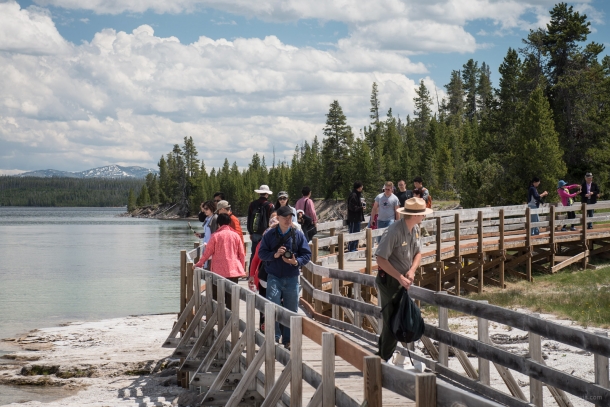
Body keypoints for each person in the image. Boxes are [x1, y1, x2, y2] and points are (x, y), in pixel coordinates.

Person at [375, 197, 432, 362]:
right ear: (415, 215)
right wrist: (400, 277)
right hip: (390, 281)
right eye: (422, 214)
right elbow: (380, 259)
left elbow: (418, 253)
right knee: (392, 319)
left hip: (404, 280)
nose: (424, 217)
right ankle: (382, 358)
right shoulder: (394, 231)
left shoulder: (414, 229)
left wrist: (412, 270)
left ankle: (384, 357)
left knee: (401, 317)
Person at [258, 206, 311, 350]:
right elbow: (261, 253)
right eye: (285, 217)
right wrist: (274, 255)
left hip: (292, 276)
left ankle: (288, 340)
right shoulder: (269, 235)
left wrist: (295, 262)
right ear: (278, 218)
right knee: (272, 306)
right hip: (274, 276)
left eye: (290, 217)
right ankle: (273, 338)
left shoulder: (297, 235)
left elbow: (307, 254)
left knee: (291, 309)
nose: (288, 220)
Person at [194, 213, 246, 309]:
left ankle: (218, 318)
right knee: (232, 296)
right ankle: (231, 319)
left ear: (218, 224)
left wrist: (199, 263)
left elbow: (207, 253)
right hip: (234, 270)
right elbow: (242, 254)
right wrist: (242, 268)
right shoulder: (236, 235)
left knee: (217, 297)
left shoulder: (215, 236)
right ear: (229, 223)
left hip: (218, 271)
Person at [248, 213, 279, 333]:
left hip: (264, 276)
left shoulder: (263, 240)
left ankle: (264, 328)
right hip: (268, 276)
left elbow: (255, 260)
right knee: (277, 303)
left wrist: (251, 275)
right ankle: (274, 330)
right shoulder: (284, 238)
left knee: (264, 302)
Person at [247, 185, 275, 264]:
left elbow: (249, 219)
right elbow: (272, 221)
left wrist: (251, 232)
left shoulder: (252, 204)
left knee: (254, 254)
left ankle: (251, 274)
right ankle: (262, 274)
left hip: (255, 233)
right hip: (266, 233)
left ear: (259, 193)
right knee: (265, 254)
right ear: (267, 194)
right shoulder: (270, 206)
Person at [347, 181, 365, 252]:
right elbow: (352, 207)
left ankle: (354, 247)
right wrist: (361, 208)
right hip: (353, 218)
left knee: (357, 233)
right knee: (353, 233)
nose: (362, 188)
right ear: (359, 187)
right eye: (361, 186)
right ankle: (351, 248)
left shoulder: (357, 195)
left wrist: (361, 206)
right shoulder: (353, 195)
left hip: (357, 218)